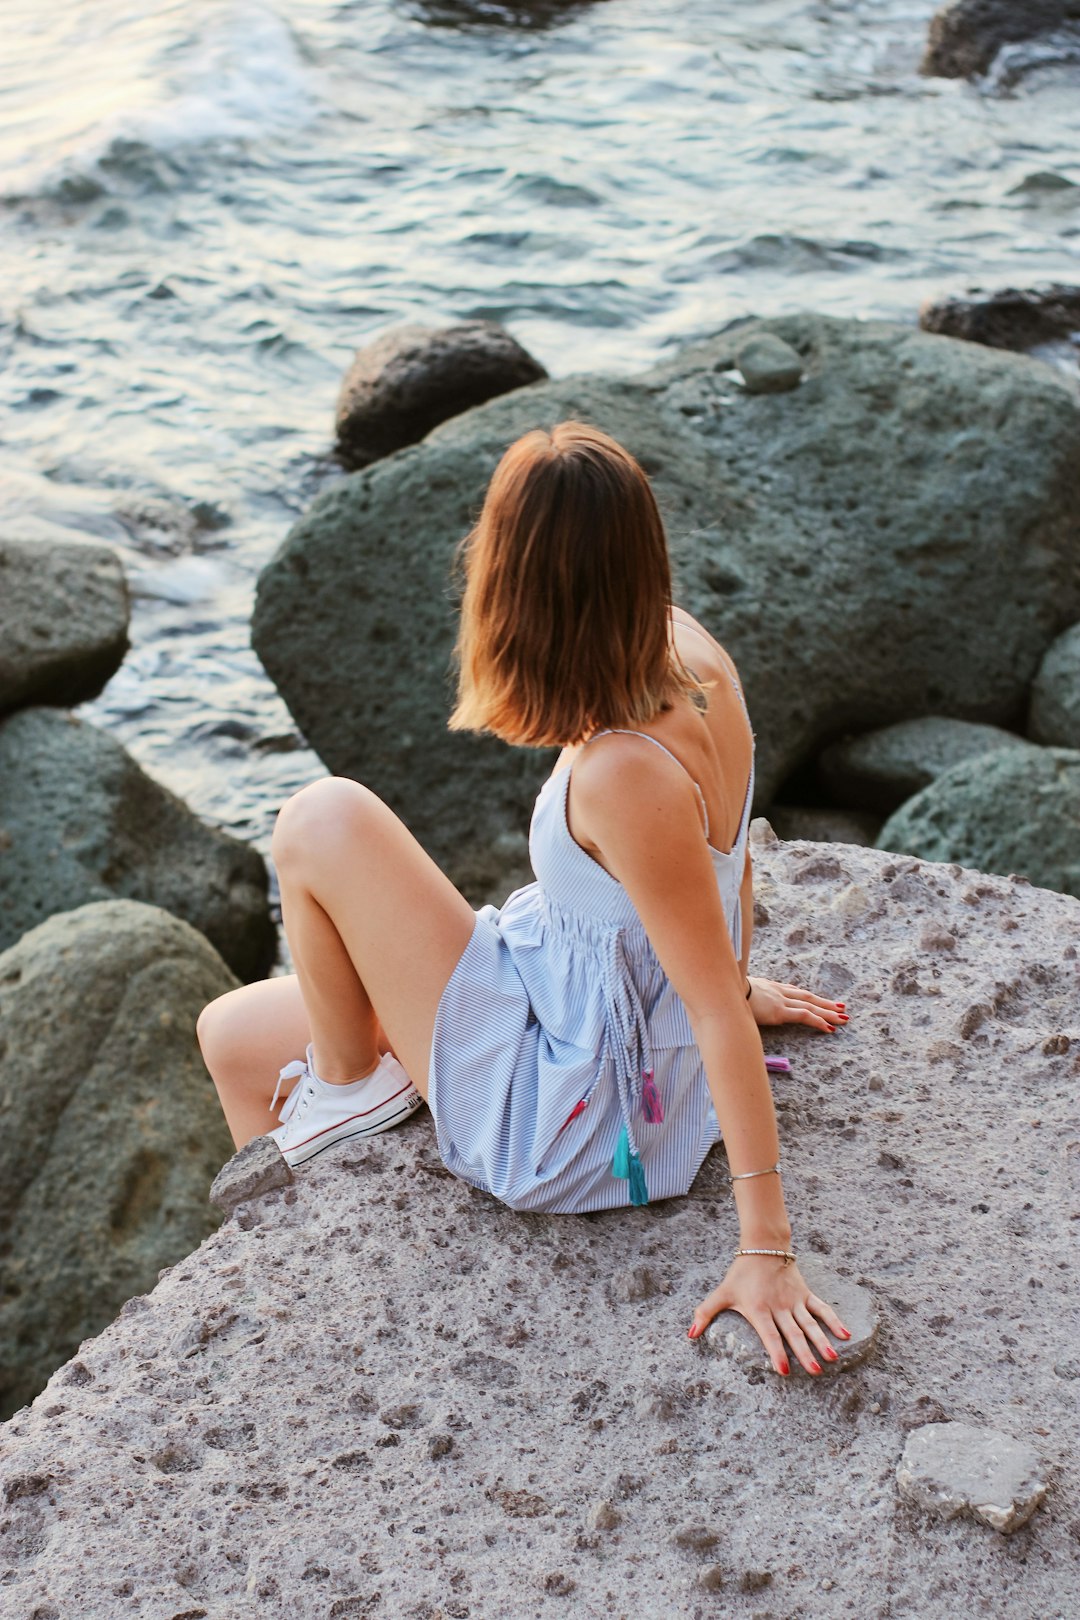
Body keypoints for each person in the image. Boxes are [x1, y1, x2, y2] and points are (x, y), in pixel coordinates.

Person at [197, 420, 852, 1376]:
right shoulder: (693, 658)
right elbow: (727, 868)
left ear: (519, 591)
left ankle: (345, 1093)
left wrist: (767, 1251)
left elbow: (710, 1008)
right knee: (230, 1035)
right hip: (581, 1007)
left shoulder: (623, 774)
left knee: (319, 819)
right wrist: (728, 977)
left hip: (579, 1111)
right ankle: (301, 1251)